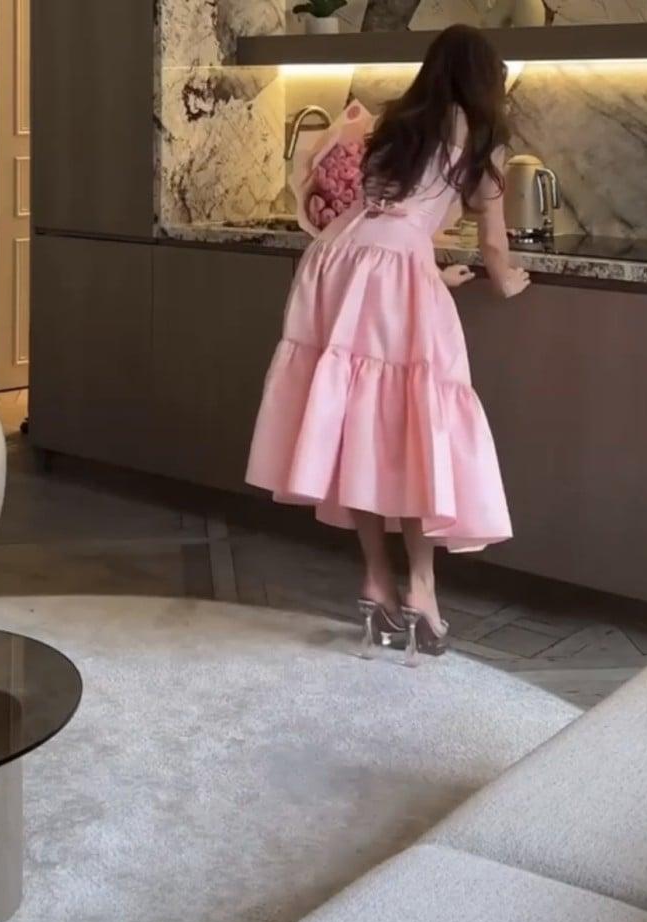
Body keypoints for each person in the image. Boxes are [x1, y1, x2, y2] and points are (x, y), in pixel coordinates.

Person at [246, 24, 530, 663]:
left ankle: (377, 582)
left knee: (359, 426)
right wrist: (505, 281)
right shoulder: (482, 135)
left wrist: (429, 273)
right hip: (391, 270)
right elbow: (492, 241)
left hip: (338, 260)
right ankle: (421, 591)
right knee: (412, 426)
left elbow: (388, 214)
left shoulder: (397, 122)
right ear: (485, 78)